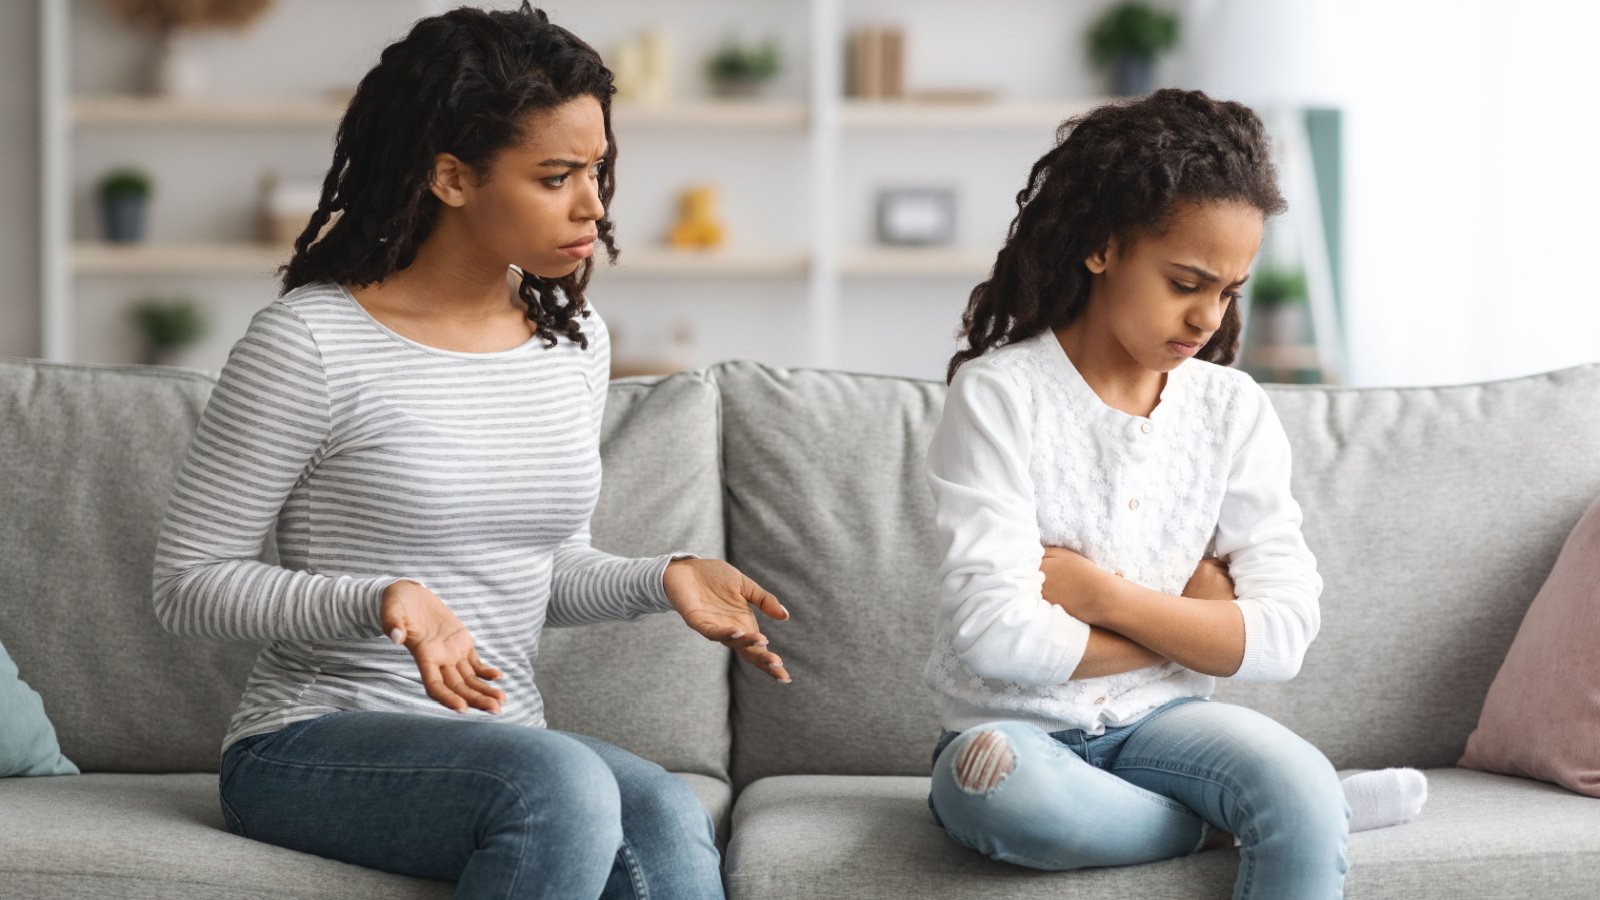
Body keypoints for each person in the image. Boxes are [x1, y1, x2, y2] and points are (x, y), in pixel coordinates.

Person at [151, 6, 789, 898]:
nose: (593, 204)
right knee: (559, 784)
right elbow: (189, 584)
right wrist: (382, 599)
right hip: (309, 743)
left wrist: (662, 576)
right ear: (452, 177)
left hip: (501, 744)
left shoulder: (571, 339)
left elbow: (537, 570)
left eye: (598, 169)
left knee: (664, 811)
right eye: (556, 175)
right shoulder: (310, 342)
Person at [922, 89, 1425, 898]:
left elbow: (1284, 634)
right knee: (996, 789)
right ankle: (1231, 822)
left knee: (1290, 780)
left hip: (1168, 723)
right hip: (1017, 732)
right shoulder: (999, 396)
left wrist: (1101, 597)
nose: (1207, 317)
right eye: (1186, 280)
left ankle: (1300, 806)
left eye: (1228, 290)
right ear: (1101, 247)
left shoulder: (1232, 409)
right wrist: (1194, 622)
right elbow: (993, 637)